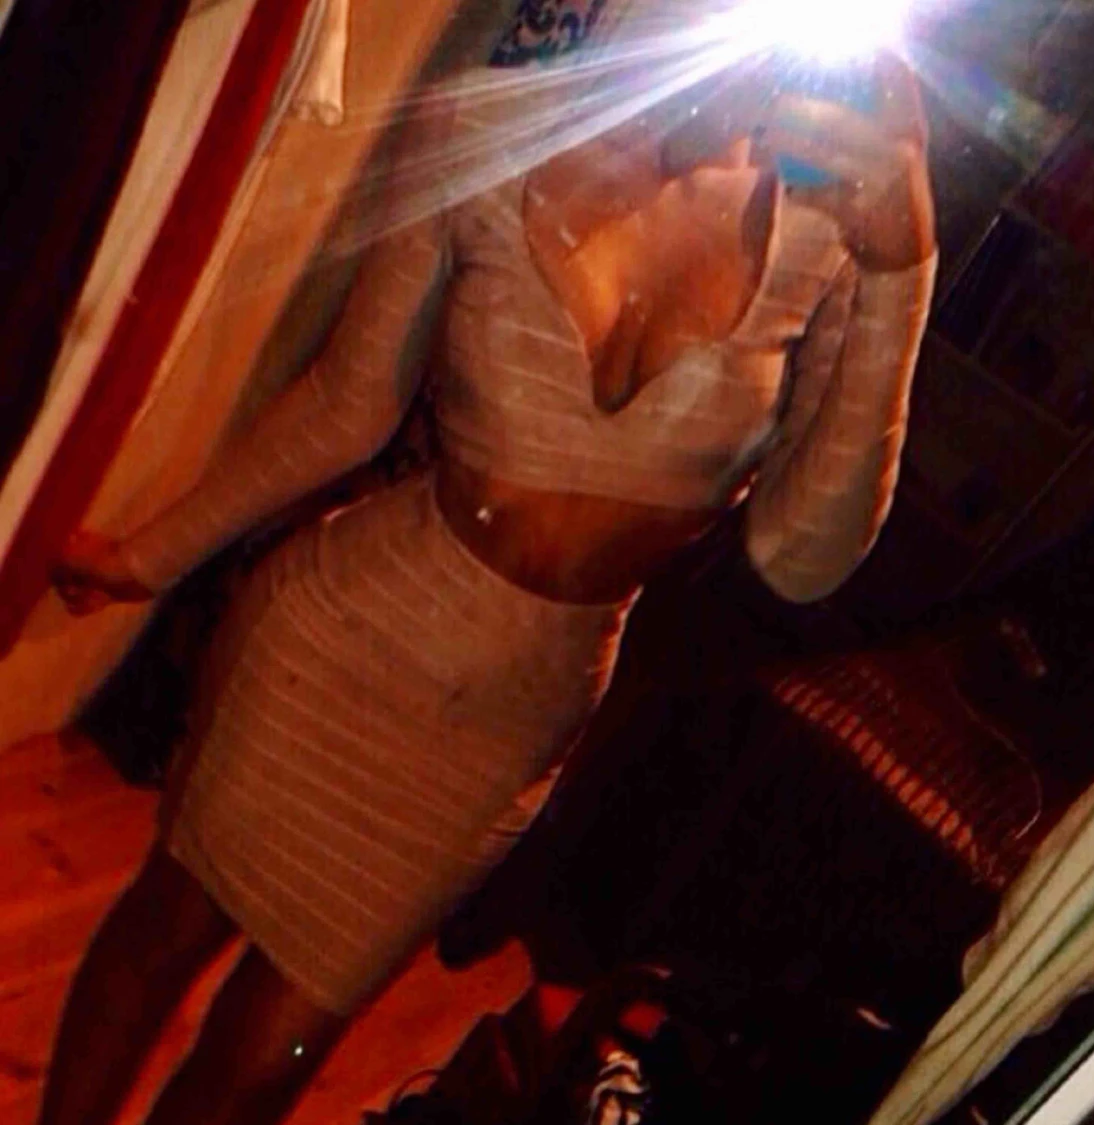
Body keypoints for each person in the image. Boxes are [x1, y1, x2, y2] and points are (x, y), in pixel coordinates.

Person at [41, 19, 937, 1124]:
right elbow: (345, 407)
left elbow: (798, 559)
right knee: (162, 930)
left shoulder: (840, 235)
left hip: (501, 728)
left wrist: (903, 273)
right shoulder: (492, 121)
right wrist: (144, 556)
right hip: (333, 632)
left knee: (268, 1057)